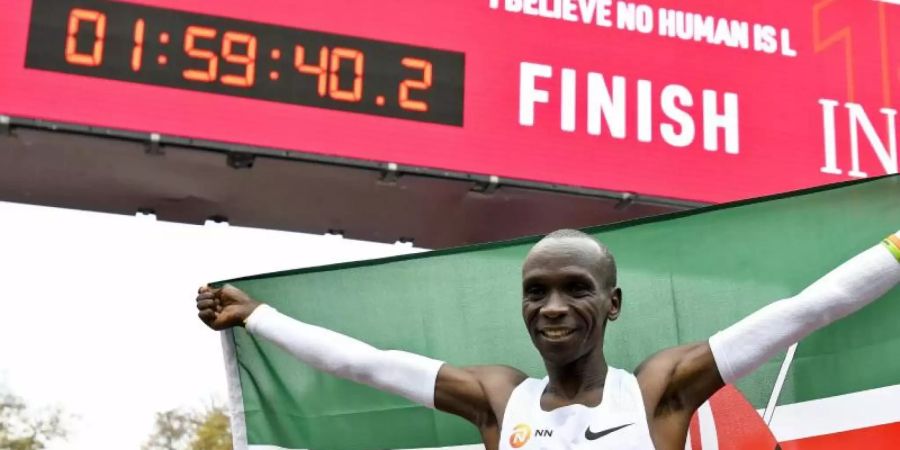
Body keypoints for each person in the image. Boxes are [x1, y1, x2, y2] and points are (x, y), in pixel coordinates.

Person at [196, 229, 900, 450]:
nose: (553, 308)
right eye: (536, 292)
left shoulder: (659, 390)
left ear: (613, 303)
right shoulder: (498, 401)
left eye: (574, 288)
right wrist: (257, 316)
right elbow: (366, 365)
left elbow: (810, 309)